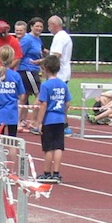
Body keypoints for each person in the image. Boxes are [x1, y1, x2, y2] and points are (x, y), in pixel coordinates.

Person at [32, 54, 67, 183]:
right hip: (60, 119)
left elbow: (44, 104)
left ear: (45, 69)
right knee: (58, 147)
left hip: (49, 119)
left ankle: (47, 173)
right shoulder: (63, 84)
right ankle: (56, 173)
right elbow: (68, 102)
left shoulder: (46, 86)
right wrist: (64, 114)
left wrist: (39, 122)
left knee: (48, 148)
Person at [0, 45, 23, 137]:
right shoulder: (16, 75)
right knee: (12, 140)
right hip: (12, 112)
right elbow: (22, 95)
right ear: (12, 58)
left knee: (0, 139)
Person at [16, 19, 43, 102]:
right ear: (31, 27)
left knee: (25, 96)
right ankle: (35, 112)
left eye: (41, 27)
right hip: (28, 70)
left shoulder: (38, 39)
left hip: (35, 70)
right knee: (40, 95)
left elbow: (39, 54)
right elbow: (19, 55)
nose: (39, 28)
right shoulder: (27, 39)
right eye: (37, 26)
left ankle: (21, 111)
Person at [47, 15, 73, 83]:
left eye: (49, 25)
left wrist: (42, 62)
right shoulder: (64, 35)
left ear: (53, 24)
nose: (49, 28)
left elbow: (56, 56)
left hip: (59, 74)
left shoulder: (59, 37)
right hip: (64, 73)